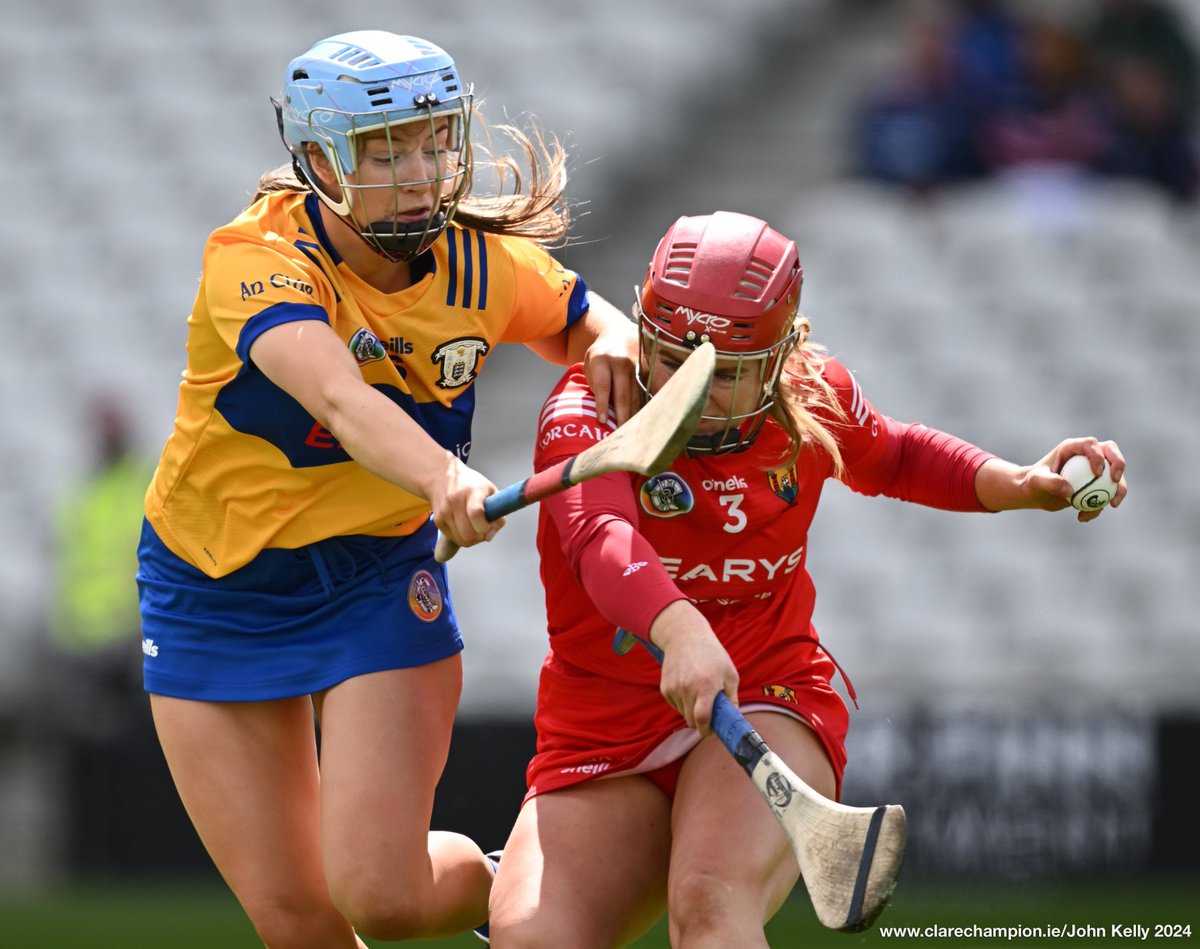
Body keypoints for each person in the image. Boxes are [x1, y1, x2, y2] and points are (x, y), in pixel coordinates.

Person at [486, 211, 1127, 947]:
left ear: (778, 357)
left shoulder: (810, 397)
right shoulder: (589, 409)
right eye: (671, 357)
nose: (689, 393)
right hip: (603, 725)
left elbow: (896, 456)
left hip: (765, 693)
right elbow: (601, 539)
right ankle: (495, 875)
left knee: (709, 902)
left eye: (725, 374)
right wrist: (680, 627)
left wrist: (1018, 481)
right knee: (531, 938)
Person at [136, 30, 636, 947]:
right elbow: (334, 391)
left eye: (434, 140)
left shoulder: (486, 265)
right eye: (385, 151)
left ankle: (512, 887)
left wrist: (614, 340)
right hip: (211, 588)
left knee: (383, 897)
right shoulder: (252, 259)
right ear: (321, 159)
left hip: (374, 580)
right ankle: (511, 882)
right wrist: (443, 472)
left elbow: (585, 322)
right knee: (299, 922)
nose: (420, 171)